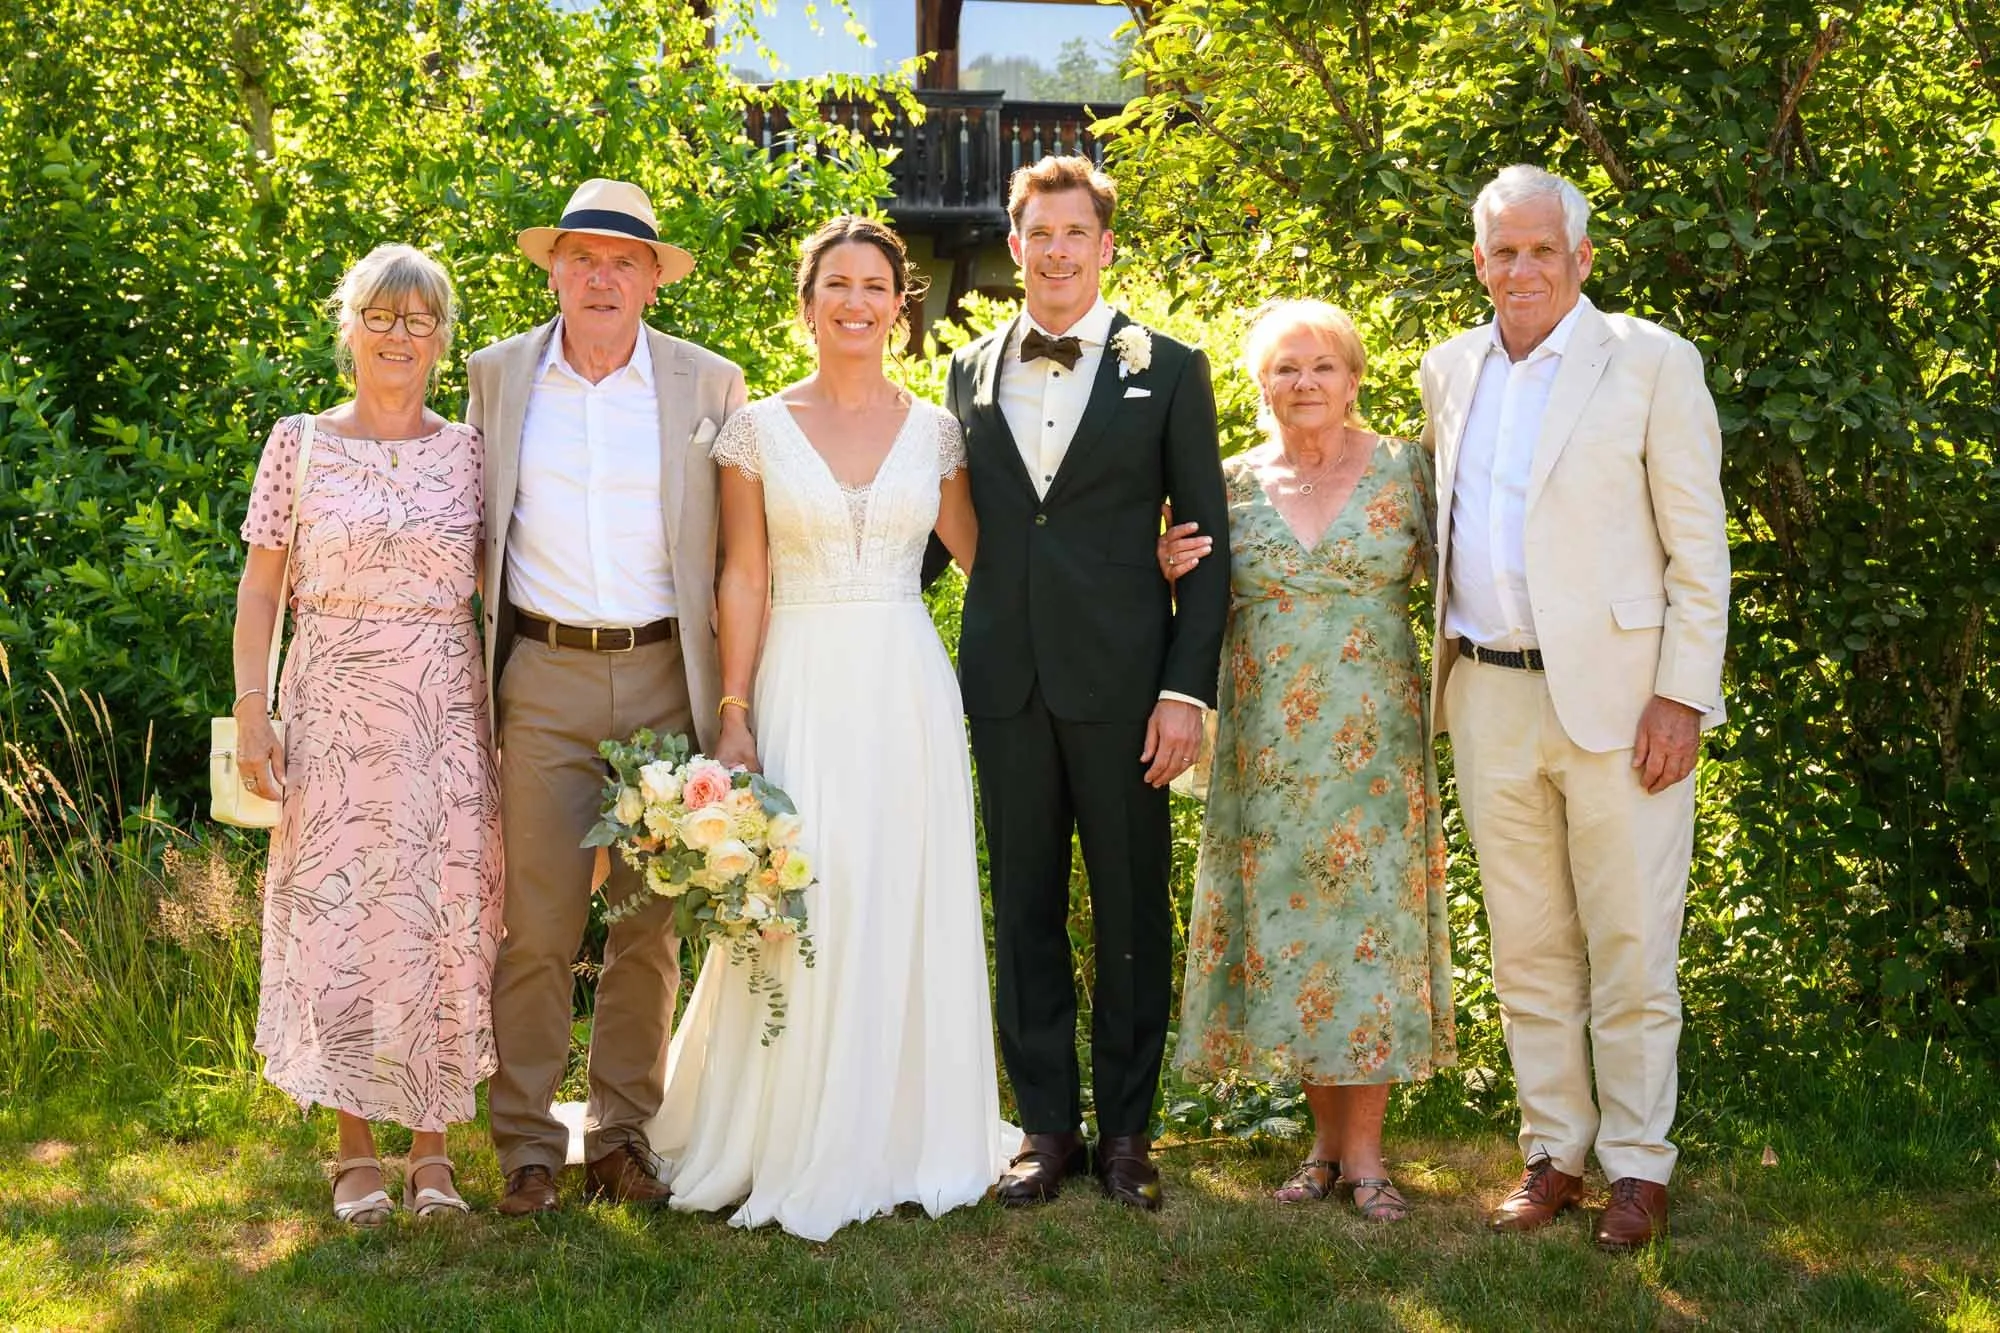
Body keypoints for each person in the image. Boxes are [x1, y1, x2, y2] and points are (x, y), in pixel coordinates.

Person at [643, 216, 1014, 1241]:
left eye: (875, 286)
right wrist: (733, 711)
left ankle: (902, 1127)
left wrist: (1128, 568)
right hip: (799, 676)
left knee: (900, 886)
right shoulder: (755, 429)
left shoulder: (937, 432)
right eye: (836, 285)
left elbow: (990, 559)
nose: (856, 302)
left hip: (905, 683)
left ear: (903, 306)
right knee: (805, 889)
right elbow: (743, 573)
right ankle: (778, 1129)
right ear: (806, 303)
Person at [1421, 165, 1729, 1249]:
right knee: (1526, 946)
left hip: (1618, 701)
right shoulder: (1446, 369)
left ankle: (1638, 1165)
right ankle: (1552, 1149)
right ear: (1478, 261)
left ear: (1580, 259)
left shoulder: (1648, 362)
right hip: (1486, 694)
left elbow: (1698, 551)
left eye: (1540, 250)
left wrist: (1680, 695)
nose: (1519, 269)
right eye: (1501, 251)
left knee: (1631, 942)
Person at [946, 156, 1230, 1210]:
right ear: (1013, 246)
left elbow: (1202, 542)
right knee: (1019, 904)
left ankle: (1125, 1133)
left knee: (1126, 910)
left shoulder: (1173, 367)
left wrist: (1182, 691)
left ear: (1105, 248)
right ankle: (1044, 1127)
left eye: (1076, 233)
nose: (1057, 250)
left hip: (1123, 686)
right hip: (1007, 679)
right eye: (1039, 233)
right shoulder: (967, 370)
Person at [468, 179, 748, 1217]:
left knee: (646, 924)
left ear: (652, 284)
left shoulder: (711, 386)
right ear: (552, 270)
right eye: (580, 256)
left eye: (622, 261)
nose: (599, 276)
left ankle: (621, 1134)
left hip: (669, 674)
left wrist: (736, 703)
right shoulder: (495, 376)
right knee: (536, 925)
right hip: (540, 675)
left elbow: (744, 550)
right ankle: (530, 1146)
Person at [232, 243, 500, 1225]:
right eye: (380, 317)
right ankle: (352, 1149)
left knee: (438, 918)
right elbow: (262, 588)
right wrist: (254, 707)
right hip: (331, 707)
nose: (399, 335)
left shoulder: (470, 449)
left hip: (443, 712)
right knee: (341, 922)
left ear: (442, 338)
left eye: (418, 320)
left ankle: (432, 1150)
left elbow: (496, 590)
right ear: (348, 327)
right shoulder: (296, 443)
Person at [1171, 299, 1455, 1222]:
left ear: (1354, 377)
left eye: (1322, 366)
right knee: (1296, 938)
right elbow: (1187, 598)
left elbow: (1474, 576)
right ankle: (1325, 1148)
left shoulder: (1408, 471)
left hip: (1375, 748)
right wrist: (1163, 564)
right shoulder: (1228, 484)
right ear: (1261, 385)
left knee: (1365, 933)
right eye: (1286, 369)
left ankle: (1367, 1154)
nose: (1305, 384)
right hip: (1268, 749)